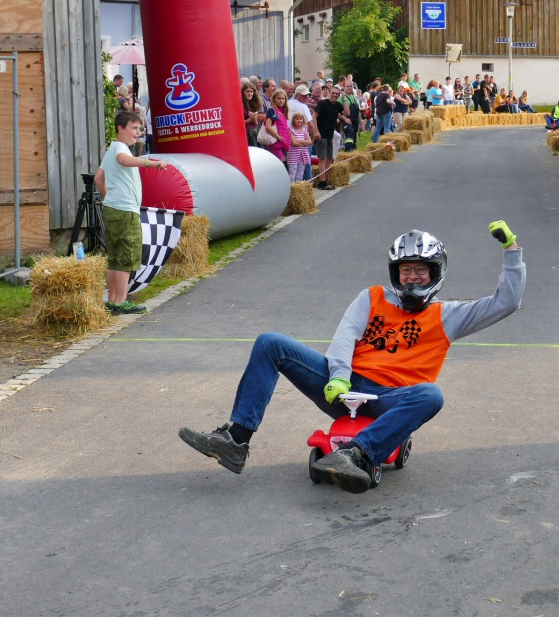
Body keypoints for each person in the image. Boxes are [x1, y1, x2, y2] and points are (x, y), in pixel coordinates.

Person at [178, 225, 525, 493]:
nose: (413, 276)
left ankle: (358, 454)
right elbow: (345, 336)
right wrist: (339, 376)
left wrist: (512, 251)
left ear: (435, 273)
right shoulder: (372, 297)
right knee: (270, 343)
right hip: (345, 386)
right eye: (406, 270)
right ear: (396, 272)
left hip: (392, 399)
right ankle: (236, 440)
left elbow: (505, 303)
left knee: (432, 395)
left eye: (421, 270)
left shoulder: (449, 315)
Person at [94, 111, 168, 315]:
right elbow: (124, 161)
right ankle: (120, 301)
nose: (138, 132)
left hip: (113, 208)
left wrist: (108, 196)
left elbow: (98, 179)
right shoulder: (120, 149)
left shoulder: (112, 149)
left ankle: (112, 299)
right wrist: (151, 163)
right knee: (127, 256)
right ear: (121, 128)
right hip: (125, 210)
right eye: (134, 128)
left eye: (139, 128)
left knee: (116, 257)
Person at [313, 84, 349, 191]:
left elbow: (347, 113)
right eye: (333, 93)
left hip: (330, 135)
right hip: (321, 134)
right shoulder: (323, 103)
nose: (334, 95)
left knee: (329, 158)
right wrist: (316, 131)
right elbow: (314, 116)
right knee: (322, 158)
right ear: (329, 93)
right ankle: (322, 182)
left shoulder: (337, 105)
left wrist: (344, 98)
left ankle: (325, 180)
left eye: (337, 94)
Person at [262, 89, 291, 165]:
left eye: (283, 98)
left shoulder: (283, 111)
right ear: (274, 99)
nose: (281, 101)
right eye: (279, 98)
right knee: (278, 165)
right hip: (275, 143)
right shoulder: (272, 110)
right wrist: (279, 138)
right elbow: (268, 127)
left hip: (283, 142)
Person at [285, 111, 313, 183]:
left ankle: (298, 187)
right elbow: (293, 143)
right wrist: (304, 144)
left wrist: (298, 140)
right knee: (292, 175)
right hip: (293, 156)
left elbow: (309, 142)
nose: (299, 120)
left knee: (300, 175)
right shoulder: (291, 130)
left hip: (302, 156)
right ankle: (291, 189)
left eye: (301, 119)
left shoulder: (305, 130)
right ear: (294, 120)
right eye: (297, 119)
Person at [242, 81, 264, 147]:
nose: (250, 93)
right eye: (247, 91)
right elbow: (236, 124)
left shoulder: (252, 104)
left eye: (251, 91)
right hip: (244, 135)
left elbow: (255, 125)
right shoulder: (240, 104)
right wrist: (249, 120)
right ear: (243, 92)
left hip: (252, 133)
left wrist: (254, 119)